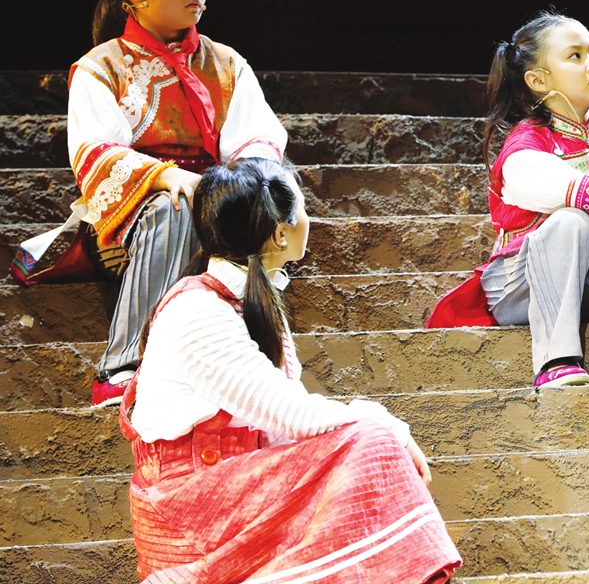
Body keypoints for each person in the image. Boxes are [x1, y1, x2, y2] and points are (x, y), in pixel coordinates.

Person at [121, 157, 461, 583]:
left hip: (236, 489)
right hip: (190, 506)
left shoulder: (249, 302)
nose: (309, 219)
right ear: (280, 234)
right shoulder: (197, 310)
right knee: (373, 439)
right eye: (303, 209)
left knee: (363, 449)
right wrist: (386, 422)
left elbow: (285, 430)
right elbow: (293, 416)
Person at [44, 0, 288, 406]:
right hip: (136, 221)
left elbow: (258, 141)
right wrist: (165, 176)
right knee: (173, 208)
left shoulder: (227, 65)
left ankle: (254, 369)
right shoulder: (101, 69)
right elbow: (94, 152)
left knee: (271, 190)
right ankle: (123, 365)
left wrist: (234, 189)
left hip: (212, 209)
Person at [427, 13, 589, 388]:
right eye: (575, 56)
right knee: (572, 219)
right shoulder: (524, 148)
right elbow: (583, 191)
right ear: (538, 80)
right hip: (524, 289)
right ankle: (556, 361)